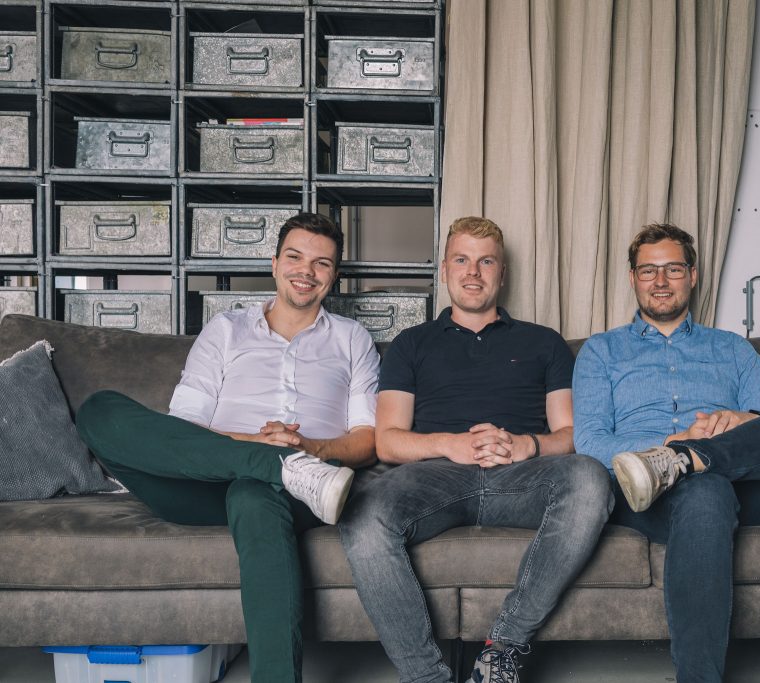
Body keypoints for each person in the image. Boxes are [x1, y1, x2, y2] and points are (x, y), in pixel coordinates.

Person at [75, 213, 380, 683]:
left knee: (254, 495)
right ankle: (278, 465)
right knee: (98, 410)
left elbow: (367, 440)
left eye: (321, 263)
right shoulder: (226, 329)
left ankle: (284, 470)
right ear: (274, 264)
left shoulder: (351, 338)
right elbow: (183, 431)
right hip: (202, 480)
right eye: (295, 257)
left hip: (304, 487)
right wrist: (260, 446)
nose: (306, 271)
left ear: (333, 275)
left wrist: (310, 447)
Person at [572, 223, 760, 682]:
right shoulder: (601, 352)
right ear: (632, 278)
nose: (660, 281)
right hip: (651, 495)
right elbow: (590, 442)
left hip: (749, 482)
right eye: (648, 270)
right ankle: (683, 460)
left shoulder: (731, 348)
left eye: (673, 269)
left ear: (692, 275)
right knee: (705, 492)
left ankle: (692, 458)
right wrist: (670, 443)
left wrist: (742, 419)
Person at [339, 216, 613, 683]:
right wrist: (452, 445)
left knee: (590, 477)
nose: (473, 272)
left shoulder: (544, 342)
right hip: (435, 477)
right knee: (363, 517)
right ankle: (425, 677)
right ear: (445, 269)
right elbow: (387, 440)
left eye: (486, 262)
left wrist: (528, 445)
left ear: (502, 273)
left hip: (519, 478)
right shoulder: (410, 343)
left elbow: (570, 434)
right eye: (462, 260)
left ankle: (501, 651)